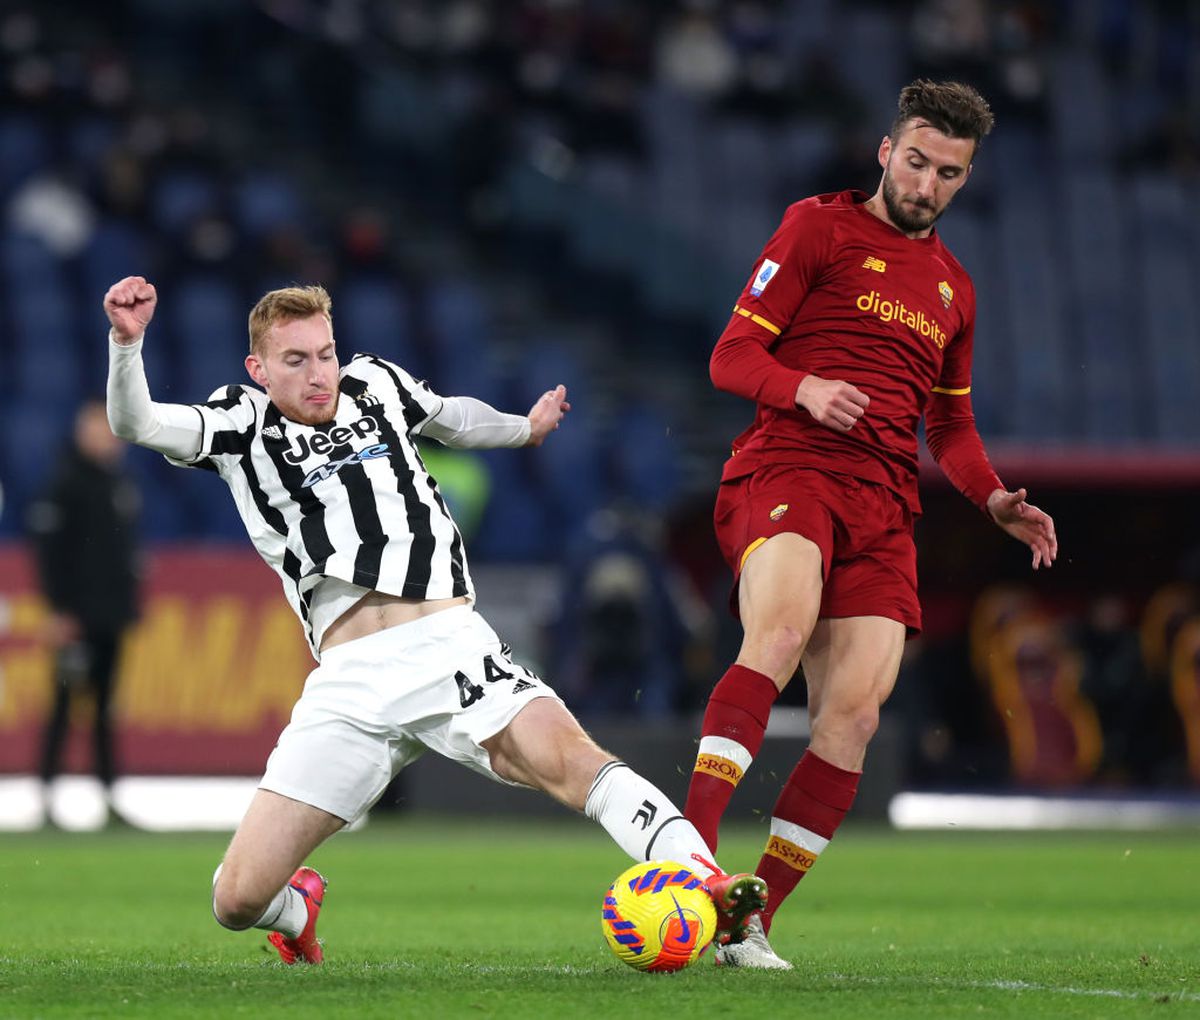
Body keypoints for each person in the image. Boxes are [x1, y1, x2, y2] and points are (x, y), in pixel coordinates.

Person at [101, 275, 779, 968]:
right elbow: (137, 423)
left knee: (573, 762)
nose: (319, 374)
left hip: (449, 647)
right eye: (295, 360)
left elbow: (452, 417)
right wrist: (127, 345)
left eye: (326, 354)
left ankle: (711, 889)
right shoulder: (240, 422)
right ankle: (297, 908)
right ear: (259, 368)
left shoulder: (375, 384)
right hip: (349, 683)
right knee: (236, 900)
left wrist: (524, 429)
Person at [682, 80, 1058, 964]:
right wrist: (803, 388)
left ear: (966, 179)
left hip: (886, 505)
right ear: (886, 152)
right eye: (916, 162)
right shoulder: (815, 228)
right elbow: (731, 356)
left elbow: (950, 425)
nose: (926, 185)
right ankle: (685, 861)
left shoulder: (956, 289)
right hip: (791, 466)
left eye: (948, 173)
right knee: (780, 634)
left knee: (853, 718)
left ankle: (747, 924)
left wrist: (993, 497)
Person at [26, 398, 141, 824]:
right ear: (81, 432)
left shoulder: (119, 484)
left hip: (110, 617)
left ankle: (109, 798)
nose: (109, 439)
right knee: (63, 705)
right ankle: (45, 798)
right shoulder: (65, 485)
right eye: (99, 429)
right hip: (75, 619)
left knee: (105, 709)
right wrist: (59, 610)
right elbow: (49, 556)